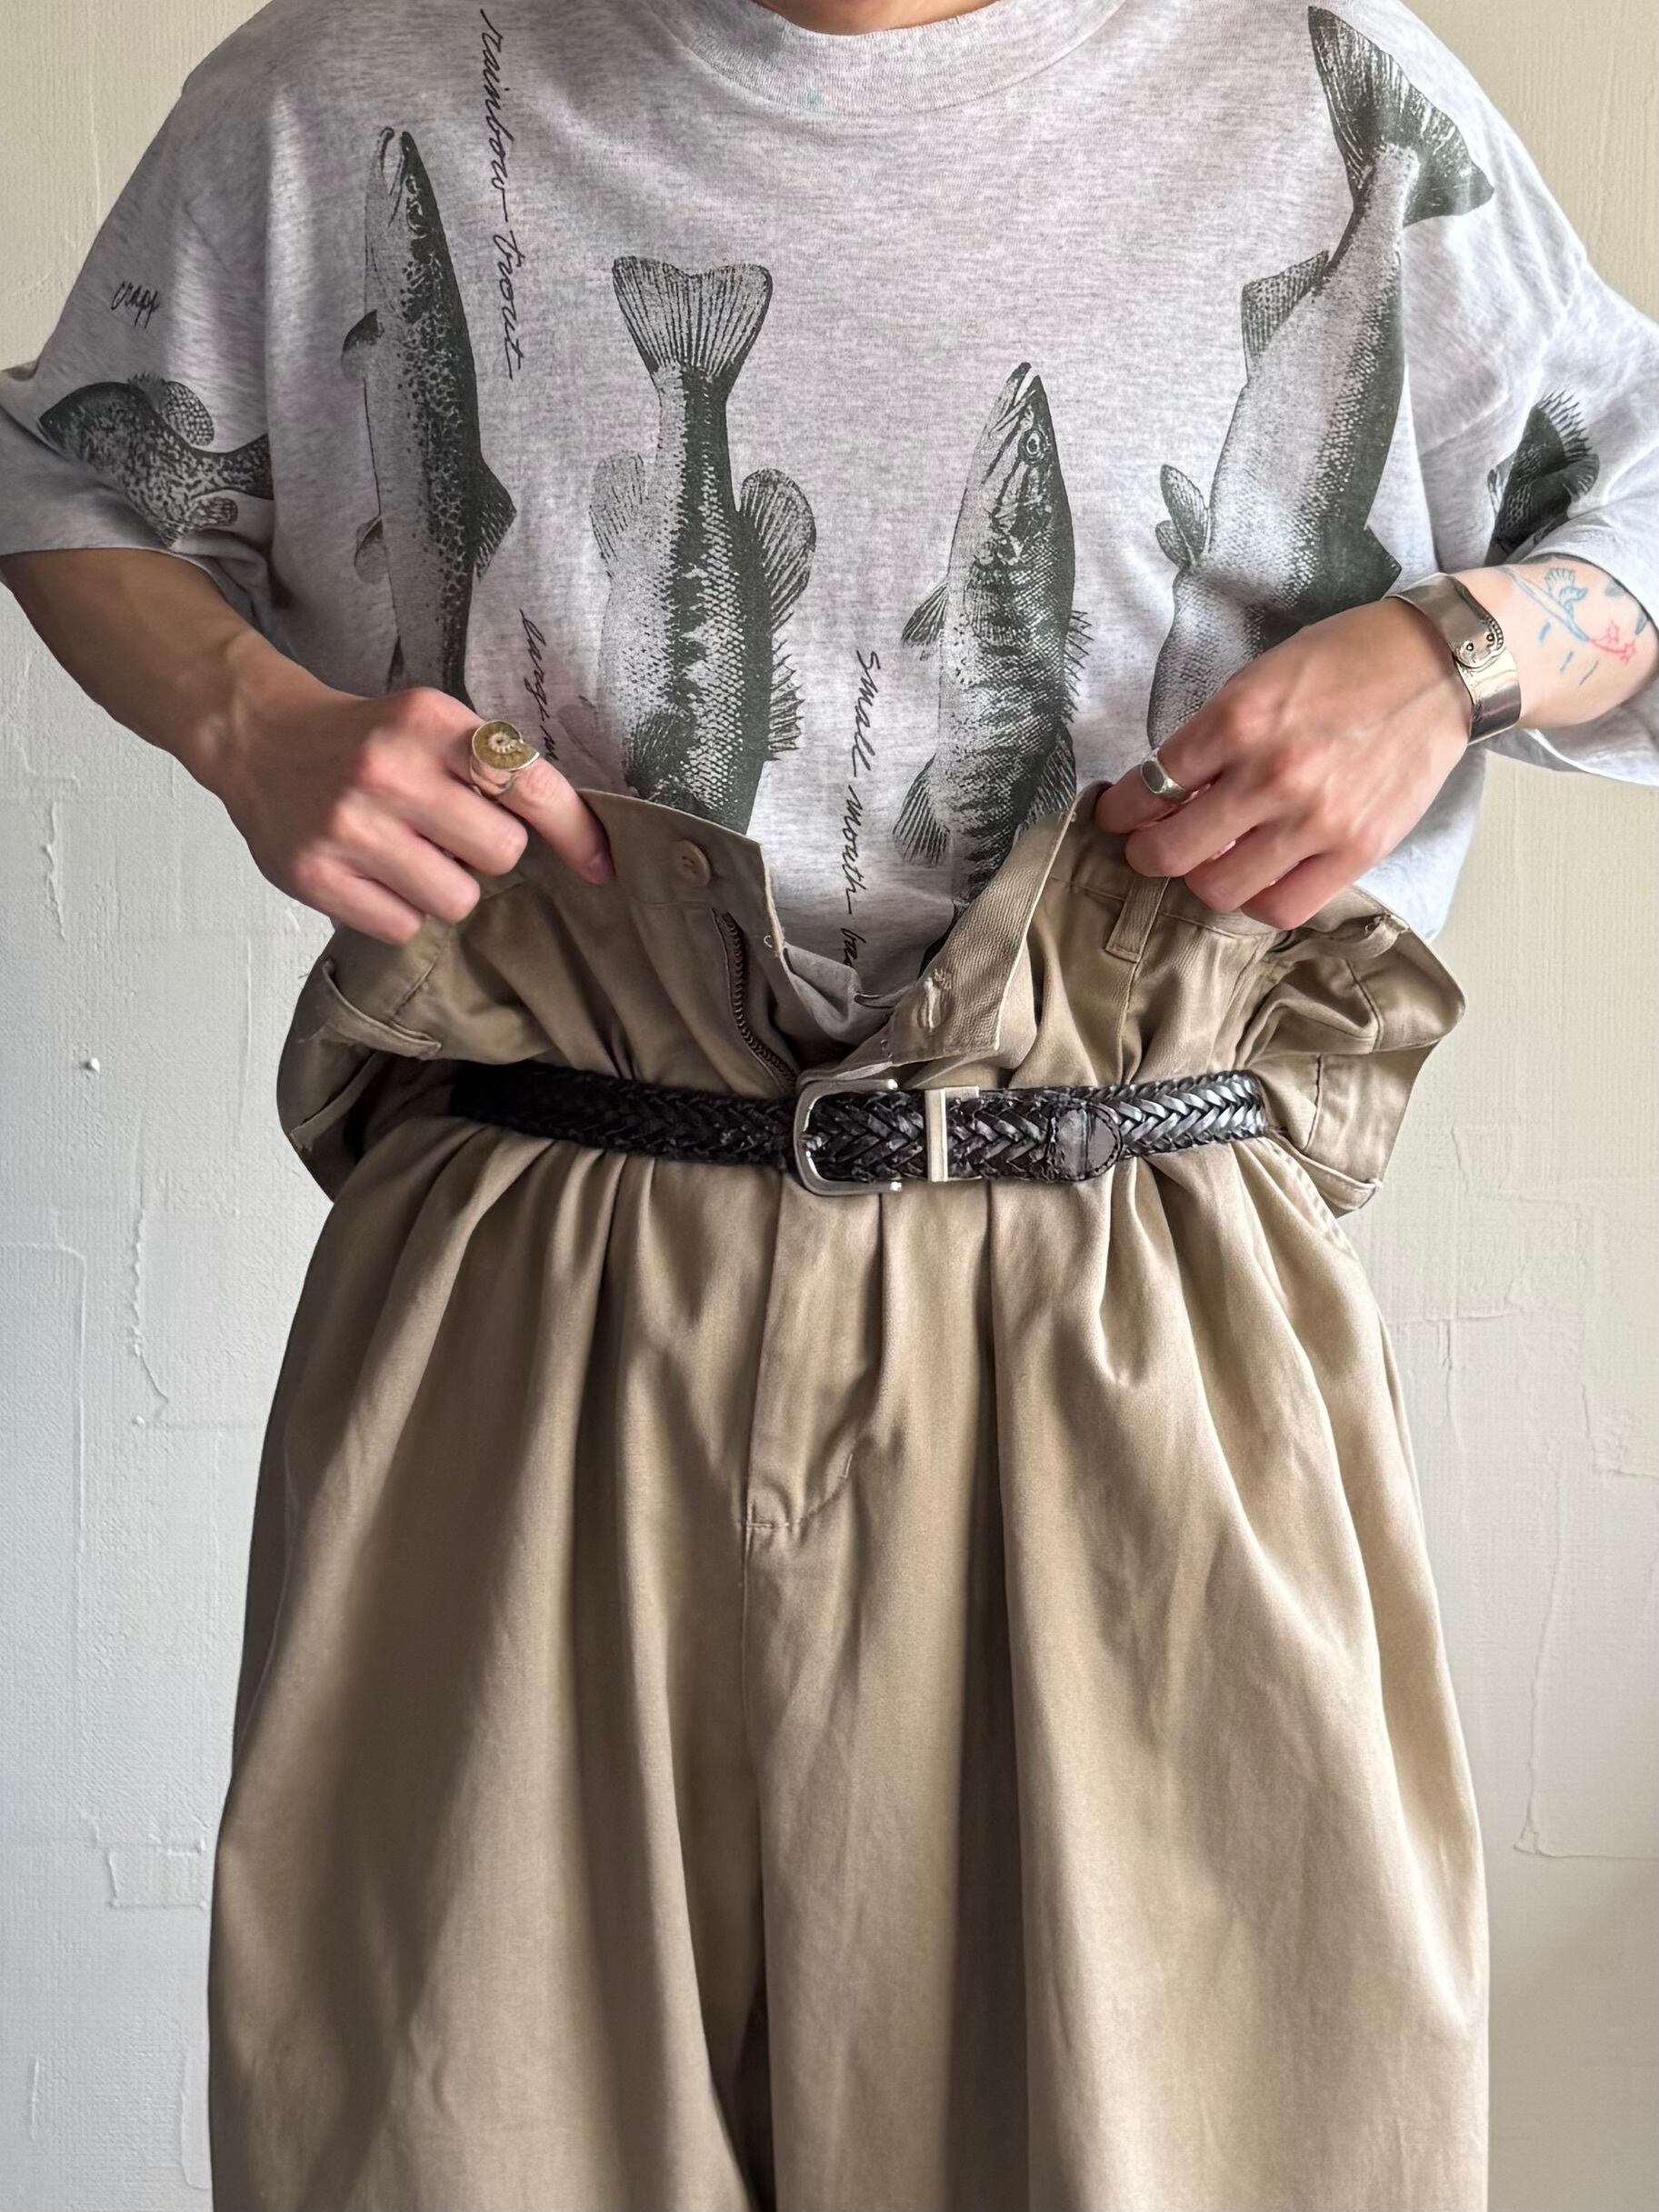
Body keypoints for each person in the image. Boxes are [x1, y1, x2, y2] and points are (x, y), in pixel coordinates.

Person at [3, 0, 1654, 2206]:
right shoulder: (345, 90)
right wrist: (248, 719)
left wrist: (1458, 650)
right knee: (457, 2138)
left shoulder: (1313, 88)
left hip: (1131, 1299)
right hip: (532, 1301)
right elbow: (69, 472)